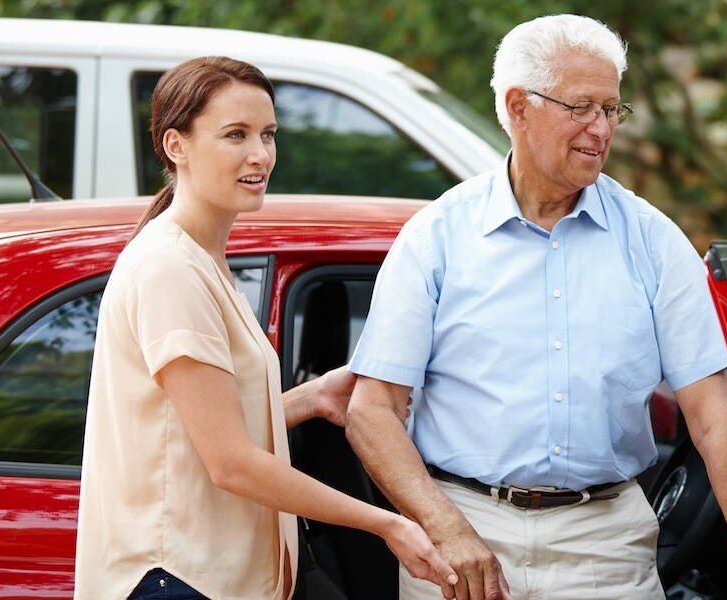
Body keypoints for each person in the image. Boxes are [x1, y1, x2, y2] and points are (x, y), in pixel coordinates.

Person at [345, 14, 727, 600]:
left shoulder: (653, 240)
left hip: (606, 546)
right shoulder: (436, 236)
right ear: (518, 106)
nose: (601, 129)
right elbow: (372, 411)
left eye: (611, 110)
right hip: (460, 539)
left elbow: (715, 419)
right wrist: (448, 529)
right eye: (581, 107)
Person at [74, 56, 455, 600]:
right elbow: (230, 462)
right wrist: (386, 523)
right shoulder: (170, 269)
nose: (260, 155)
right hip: (179, 578)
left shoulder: (200, 259)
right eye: (235, 135)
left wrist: (312, 396)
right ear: (175, 146)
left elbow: (195, 427)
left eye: (268, 134)